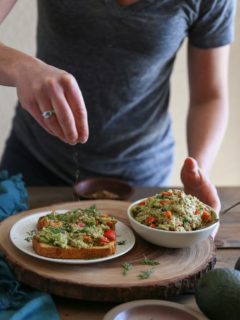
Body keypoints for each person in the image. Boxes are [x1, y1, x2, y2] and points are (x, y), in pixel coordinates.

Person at [0, 0, 236, 213]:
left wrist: (200, 170)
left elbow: (208, 97)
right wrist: (21, 68)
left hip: (140, 181)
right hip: (35, 164)